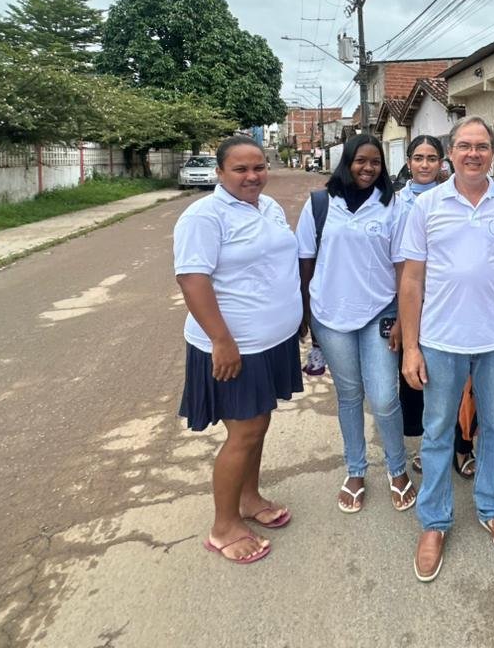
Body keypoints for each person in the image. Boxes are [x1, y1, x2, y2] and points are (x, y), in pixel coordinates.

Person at [398, 117, 494, 583]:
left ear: (493, 153)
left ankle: (493, 506)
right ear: (450, 153)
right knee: (438, 432)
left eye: (481, 146)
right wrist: (411, 348)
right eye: (464, 146)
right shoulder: (428, 206)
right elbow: (412, 279)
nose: (473, 153)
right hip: (440, 341)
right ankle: (434, 521)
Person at [174, 134, 303, 565]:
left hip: (270, 341)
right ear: (220, 172)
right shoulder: (204, 216)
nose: (252, 176)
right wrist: (221, 340)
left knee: (259, 425)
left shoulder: (268, 207)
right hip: (236, 345)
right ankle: (223, 525)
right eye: (241, 169)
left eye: (259, 167)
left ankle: (249, 498)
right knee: (244, 431)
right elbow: (193, 278)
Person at [297, 133, 415, 515]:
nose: (367, 168)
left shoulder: (392, 205)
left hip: (380, 312)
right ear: (346, 162)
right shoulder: (319, 204)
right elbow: (305, 262)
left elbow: (403, 267)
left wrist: (401, 316)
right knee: (349, 397)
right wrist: (304, 315)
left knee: (383, 397)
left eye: (375, 162)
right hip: (331, 316)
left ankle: (397, 469)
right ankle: (356, 470)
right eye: (360, 161)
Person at [394, 136, 478, 477]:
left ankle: (463, 446)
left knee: (462, 381)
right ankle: (429, 448)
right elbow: (396, 263)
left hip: (454, 302)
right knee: (421, 379)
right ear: (409, 162)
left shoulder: (457, 197)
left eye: (431, 158)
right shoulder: (395, 203)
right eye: (418, 157)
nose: (425, 164)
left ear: (443, 162)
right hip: (414, 301)